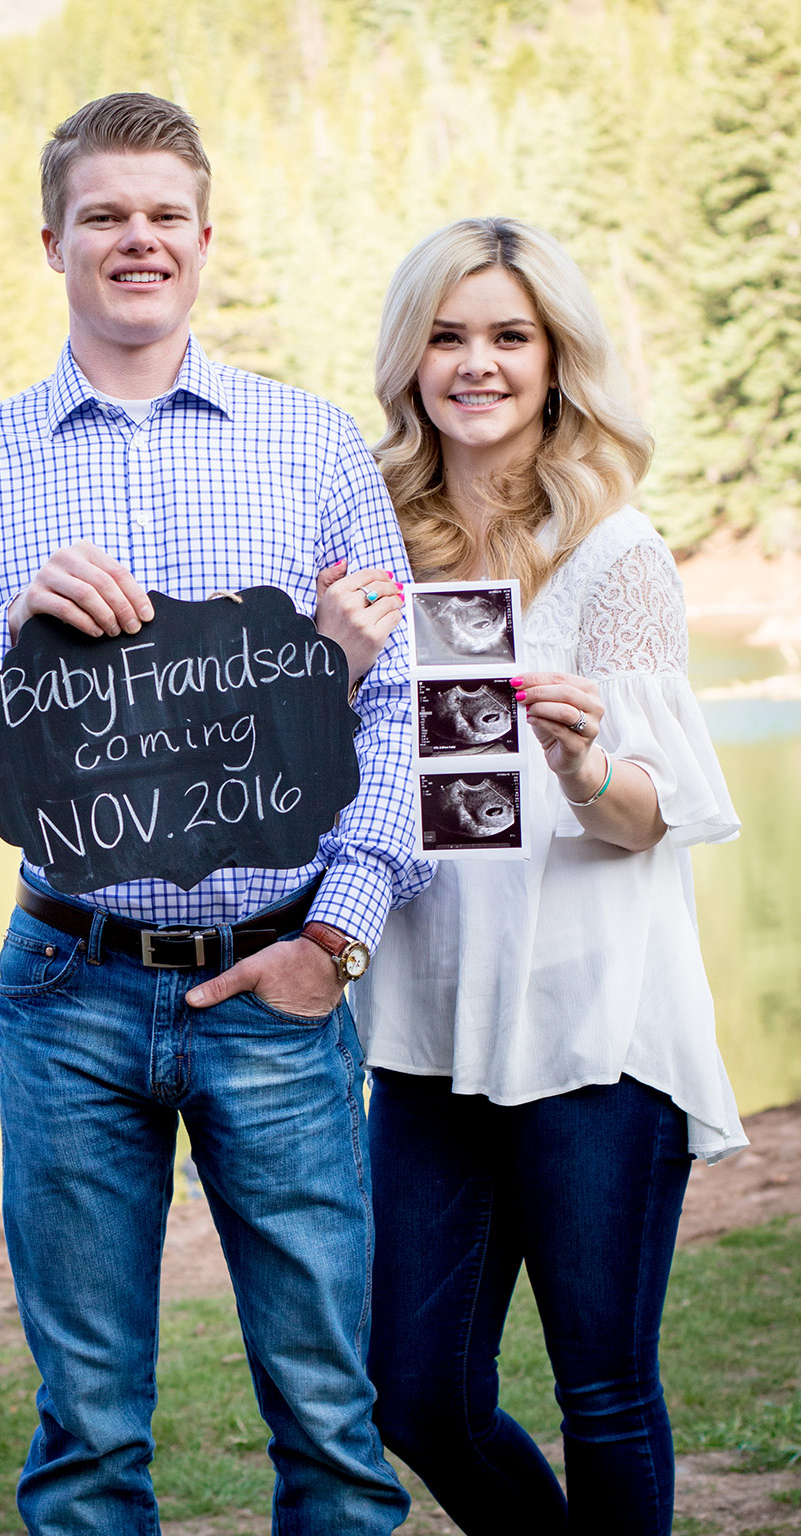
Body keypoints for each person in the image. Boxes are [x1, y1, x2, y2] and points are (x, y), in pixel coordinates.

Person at [0, 91, 426, 1535]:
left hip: (277, 986)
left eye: (164, 215)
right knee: (85, 1436)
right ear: (53, 239)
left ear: (204, 237)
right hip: (65, 985)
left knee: (330, 1421)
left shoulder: (309, 449)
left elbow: (404, 716)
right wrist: (13, 631)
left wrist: (338, 942)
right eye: (105, 215)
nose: (138, 240)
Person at [316, 216, 745, 1536]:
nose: (478, 363)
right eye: (448, 336)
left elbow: (649, 816)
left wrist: (578, 762)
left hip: (594, 1031)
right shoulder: (369, 548)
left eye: (510, 335)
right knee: (414, 1396)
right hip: (431, 1029)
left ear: (557, 361)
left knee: (603, 1389)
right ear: (410, 362)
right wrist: (330, 663)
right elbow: (321, 797)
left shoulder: (617, 554)